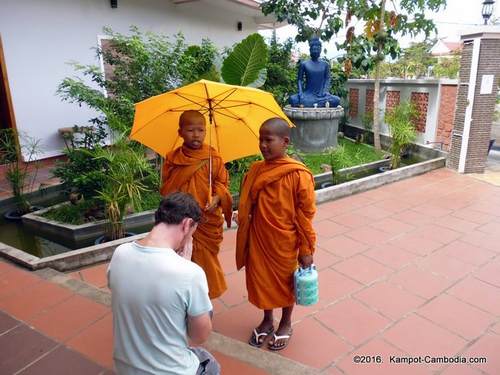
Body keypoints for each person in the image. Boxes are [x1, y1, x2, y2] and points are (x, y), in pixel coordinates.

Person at [108, 192, 220, 375]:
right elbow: (199, 336)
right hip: (171, 372)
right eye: (193, 233)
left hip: (125, 367)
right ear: (186, 224)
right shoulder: (190, 274)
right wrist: (187, 267)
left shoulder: (120, 253)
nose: (190, 238)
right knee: (211, 363)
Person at [235, 117, 317, 351]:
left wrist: (306, 249)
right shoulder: (255, 170)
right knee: (262, 282)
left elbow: (305, 215)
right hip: (259, 239)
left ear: (285, 141)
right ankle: (267, 319)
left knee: (286, 285)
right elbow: (248, 203)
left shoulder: (298, 174)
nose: (263, 145)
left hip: (285, 242)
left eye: (268, 140)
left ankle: (286, 322)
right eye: (260, 140)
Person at [160, 110, 232, 299]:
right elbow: (166, 188)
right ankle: (181, 297)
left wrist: (216, 198)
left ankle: (203, 300)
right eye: (191, 130)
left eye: (201, 130)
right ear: (180, 132)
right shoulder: (173, 158)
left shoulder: (213, 157)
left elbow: (222, 184)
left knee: (204, 261)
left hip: (205, 220)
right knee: (179, 261)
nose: (196, 134)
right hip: (179, 218)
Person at [289, 36, 340, 108]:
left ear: (320, 50)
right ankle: (317, 103)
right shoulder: (304, 64)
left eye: (318, 48)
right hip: (308, 94)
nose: (316, 50)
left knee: (336, 100)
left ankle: (312, 103)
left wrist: (325, 91)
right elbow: (299, 80)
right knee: (293, 99)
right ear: (310, 50)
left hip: (321, 95)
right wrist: (300, 92)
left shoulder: (325, 64)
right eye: (314, 49)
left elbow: (327, 79)